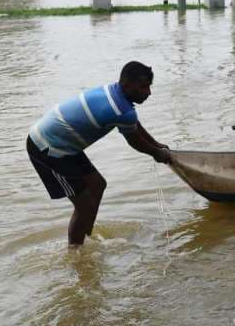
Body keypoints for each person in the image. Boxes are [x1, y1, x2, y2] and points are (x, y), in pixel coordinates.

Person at [26, 61, 171, 246]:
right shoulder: (120, 110)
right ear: (127, 85)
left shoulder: (115, 92)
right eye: (143, 87)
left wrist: (157, 145)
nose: (148, 92)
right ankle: (76, 251)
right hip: (47, 148)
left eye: (149, 86)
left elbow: (134, 125)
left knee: (97, 184)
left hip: (63, 143)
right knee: (84, 204)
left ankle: (86, 237)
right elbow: (135, 141)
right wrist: (157, 153)